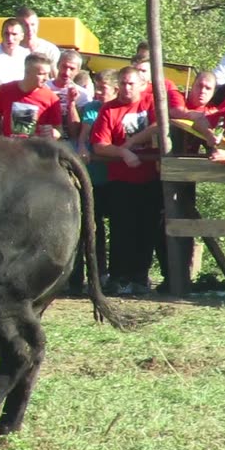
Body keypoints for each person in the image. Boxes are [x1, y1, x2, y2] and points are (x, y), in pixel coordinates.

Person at [90, 66, 162, 295]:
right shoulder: (109, 110)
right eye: (122, 83)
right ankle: (118, 277)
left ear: (142, 85)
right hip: (121, 180)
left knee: (147, 229)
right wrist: (123, 153)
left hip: (150, 178)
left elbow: (159, 125)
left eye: (131, 83)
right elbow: (100, 144)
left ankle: (140, 277)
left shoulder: (151, 102)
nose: (126, 88)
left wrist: (130, 143)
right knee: (121, 230)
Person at [68, 69, 116, 295]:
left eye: (102, 89)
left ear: (114, 89)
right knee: (89, 227)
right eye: (96, 87)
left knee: (111, 230)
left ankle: (106, 275)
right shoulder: (91, 110)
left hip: (112, 178)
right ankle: (76, 278)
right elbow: (83, 135)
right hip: (91, 178)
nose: (97, 92)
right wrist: (81, 147)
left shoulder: (117, 110)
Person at [0, 53, 61, 139]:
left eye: (48, 74)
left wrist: (53, 133)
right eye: (41, 74)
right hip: (8, 148)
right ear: (27, 72)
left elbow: (59, 130)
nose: (46, 78)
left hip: (34, 149)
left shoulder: (51, 98)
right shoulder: (5, 90)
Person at [48, 49, 91, 137]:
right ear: (57, 65)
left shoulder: (83, 95)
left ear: (78, 71)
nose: (67, 73)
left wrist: (72, 103)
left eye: (72, 69)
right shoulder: (44, 87)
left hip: (70, 140)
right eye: (64, 66)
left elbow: (77, 132)